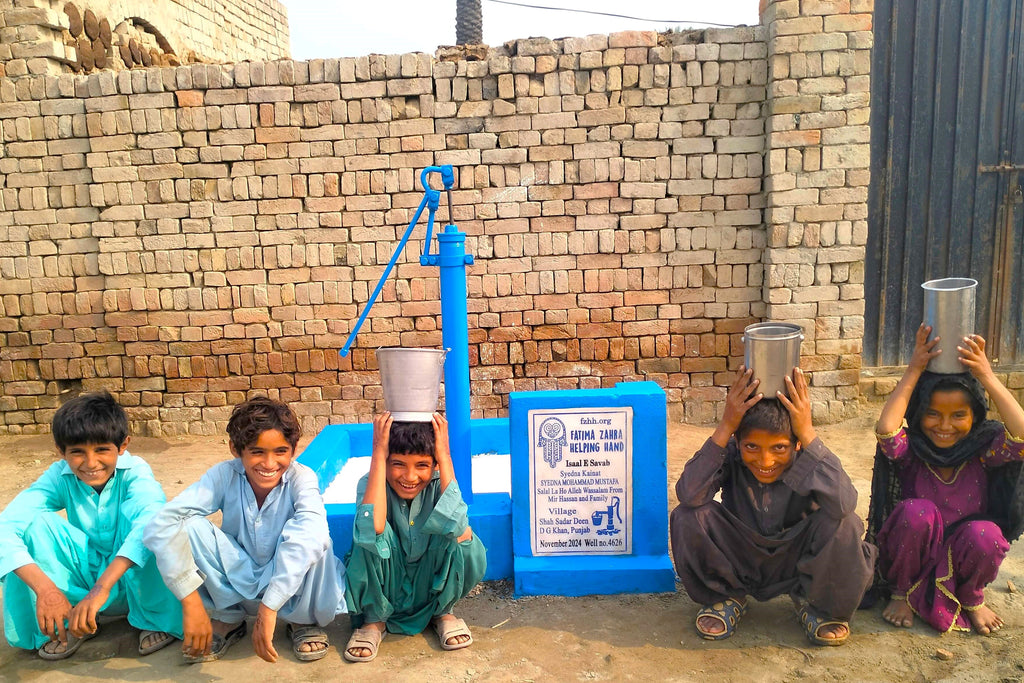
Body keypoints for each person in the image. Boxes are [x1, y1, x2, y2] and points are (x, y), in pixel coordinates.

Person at [670, 367, 876, 646]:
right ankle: (725, 597)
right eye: (752, 447)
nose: (765, 461)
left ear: (797, 445)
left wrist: (808, 432)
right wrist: (726, 426)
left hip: (797, 562)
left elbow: (843, 504)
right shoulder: (730, 454)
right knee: (688, 515)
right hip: (740, 557)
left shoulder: (808, 458)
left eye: (779, 448)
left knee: (844, 523)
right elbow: (689, 493)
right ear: (738, 443)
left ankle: (816, 604)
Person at [143, 397, 346, 663]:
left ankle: (301, 621)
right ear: (236, 449)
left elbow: (312, 533)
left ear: (293, 450)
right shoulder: (223, 475)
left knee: (317, 540)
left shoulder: (301, 477)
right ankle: (229, 618)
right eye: (257, 451)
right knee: (188, 528)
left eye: (280, 452)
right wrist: (190, 600)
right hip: (240, 575)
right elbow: (161, 523)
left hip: (288, 581)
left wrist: (270, 605)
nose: (269, 463)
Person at [867, 325, 1024, 634]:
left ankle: (971, 597)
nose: (944, 426)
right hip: (914, 551)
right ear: (919, 413)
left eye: (957, 416)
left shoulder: (983, 450)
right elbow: (886, 430)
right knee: (916, 512)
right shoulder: (912, 450)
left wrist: (987, 376)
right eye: (933, 413)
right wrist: (914, 370)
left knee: (988, 534)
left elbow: (1020, 437)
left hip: (966, 550)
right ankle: (901, 593)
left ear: (975, 416)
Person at [0, 392, 181, 660]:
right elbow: (7, 526)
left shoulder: (136, 474)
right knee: (34, 525)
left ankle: (153, 618)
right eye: (77, 452)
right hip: (86, 580)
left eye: (101, 450)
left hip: (132, 582)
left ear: (122, 446)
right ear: (61, 452)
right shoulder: (58, 476)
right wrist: (47, 591)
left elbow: (150, 520)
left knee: (156, 525)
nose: (90, 463)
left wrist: (102, 588)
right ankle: (70, 619)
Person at [343, 412, 487, 662]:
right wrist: (378, 452)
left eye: (422, 465)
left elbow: (457, 524)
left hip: (427, 586)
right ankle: (374, 621)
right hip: (386, 587)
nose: (409, 477)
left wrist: (445, 455)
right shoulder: (371, 484)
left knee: (462, 535)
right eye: (397, 464)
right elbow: (372, 527)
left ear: (434, 466)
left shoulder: (438, 483)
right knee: (369, 533)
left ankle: (442, 612)